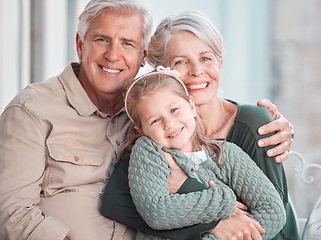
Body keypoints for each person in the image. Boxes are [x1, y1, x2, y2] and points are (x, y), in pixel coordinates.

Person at [101, 10, 299, 240]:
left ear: (220, 62)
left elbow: (274, 214)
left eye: (206, 58)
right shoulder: (154, 137)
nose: (196, 71)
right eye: (181, 62)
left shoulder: (254, 125)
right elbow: (119, 202)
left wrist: (186, 187)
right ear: (161, 73)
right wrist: (214, 225)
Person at [0, 0, 153, 239]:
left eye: (127, 43)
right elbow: (11, 214)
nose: (113, 55)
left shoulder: (150, 115)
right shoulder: (31, 110)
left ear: (143, 56)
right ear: (80, 45)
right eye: (102, 39)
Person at [123, 66, 286, 240]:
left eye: (174, 110)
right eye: (155, 120)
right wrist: (222, 199)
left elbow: (273, 211)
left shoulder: (227, 155)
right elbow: (156, 212)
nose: (169, 124)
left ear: (191, 106)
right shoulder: (150, 152)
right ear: (141, 130)